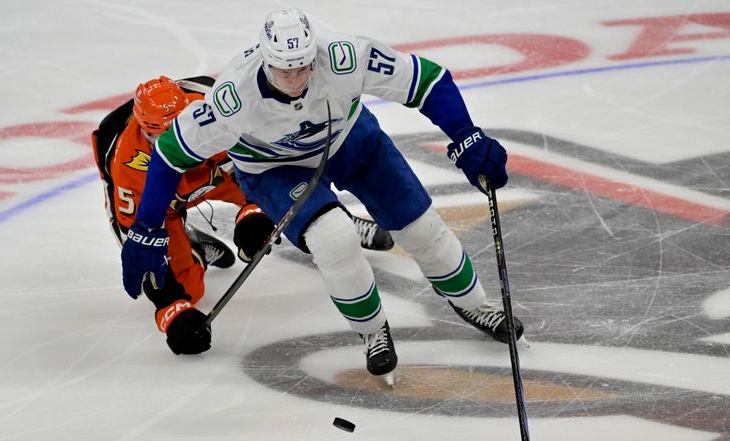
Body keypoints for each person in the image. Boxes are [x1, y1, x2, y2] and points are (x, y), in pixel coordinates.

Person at [119, 8, 526, 384]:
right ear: (265, 61)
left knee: (422, 228)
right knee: (334, 239)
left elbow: (427, 80)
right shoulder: (234, 98)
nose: (295, 79)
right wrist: (146, 226)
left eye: (302, 67)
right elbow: (169, 154)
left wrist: (466, 136)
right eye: (283, 70)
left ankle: (473, 303)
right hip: (275, 168)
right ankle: (372, 331)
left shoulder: (345, 57)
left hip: (350, 140)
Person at [93, 74, 393, 356]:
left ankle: (330, 219)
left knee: (284, 189)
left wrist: (254, 212)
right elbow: (140, 246)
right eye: (163, 138)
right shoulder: (128, 168)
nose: (177, 144)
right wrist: (172, 311)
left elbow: (272, 167)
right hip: (164, 204)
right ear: (145, 133)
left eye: (181, 128)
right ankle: (192, 247)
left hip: (220, 175)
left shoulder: (218, 116)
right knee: (188, 292)